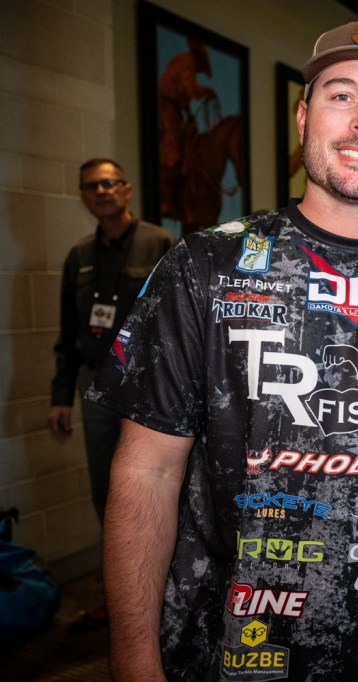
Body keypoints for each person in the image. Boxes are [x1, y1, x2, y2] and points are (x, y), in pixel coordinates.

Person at [87, 18, 358, 682]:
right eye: (342, 95)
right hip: (218, 656)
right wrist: (134, 661)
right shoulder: (204, 268)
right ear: (304, 115)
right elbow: (147, 472)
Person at [49, 158, 175, 624]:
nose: (100, 191)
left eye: (108, 183)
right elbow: (68, 331)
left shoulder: (160, 243)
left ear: (126, 189)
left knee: (156, 486)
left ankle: (169, 591)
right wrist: (61, 394)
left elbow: (179, 322)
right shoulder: (79, 256)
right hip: (95, 386)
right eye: (91, 186)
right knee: (105, 491)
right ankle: (123, 593)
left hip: (148, 387)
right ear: (83, 196)